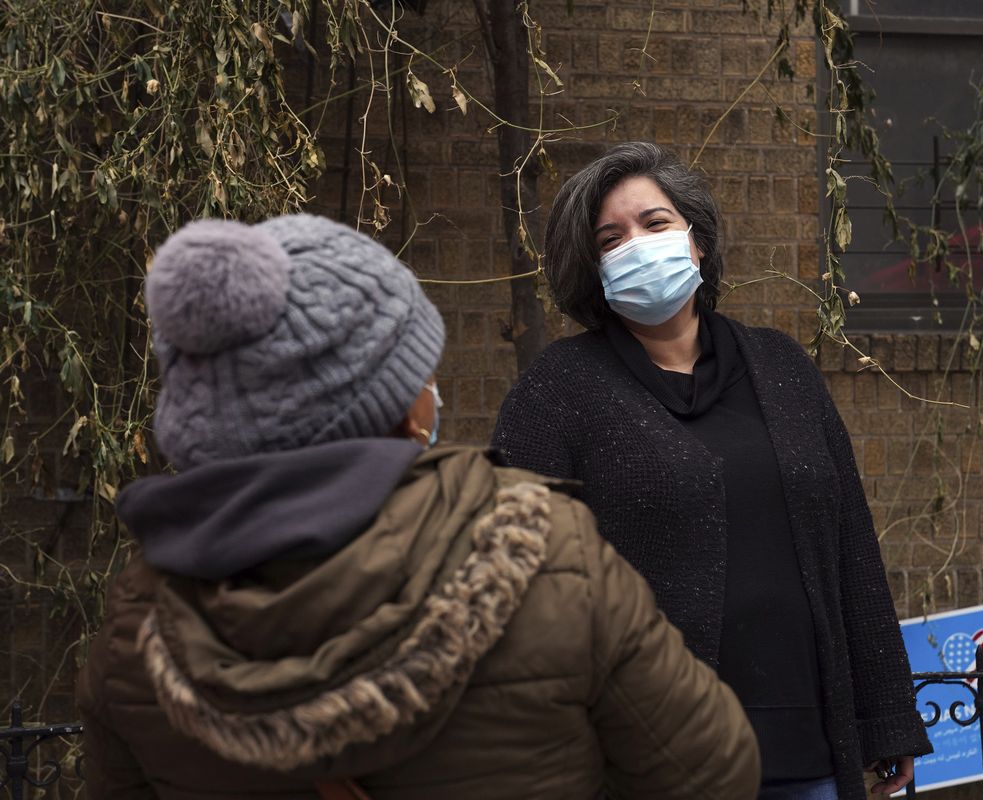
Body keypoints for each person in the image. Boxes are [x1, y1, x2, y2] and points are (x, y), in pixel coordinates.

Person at [77, 213, 761, 799]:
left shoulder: (139, 625)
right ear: (406, 407)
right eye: (419, 369)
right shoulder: (545, 550)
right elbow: (713, 772)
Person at [491, 142, 931, 800]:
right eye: (612, 238)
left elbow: (851, 552)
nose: (637, 244)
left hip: (807, 747)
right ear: (593, 269)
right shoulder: (557, 393)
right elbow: (515, 580)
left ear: (696, 243)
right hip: (652, 759)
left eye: (656, 223)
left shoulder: (782, 368)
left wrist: (887, 715)